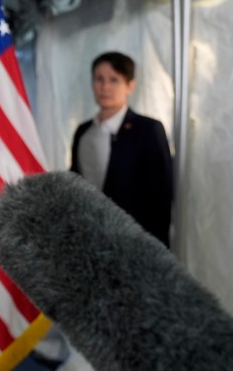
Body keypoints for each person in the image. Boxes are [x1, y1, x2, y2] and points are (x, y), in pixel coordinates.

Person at [70, 51, 174, 246]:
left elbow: (161, 196)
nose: (105, 87)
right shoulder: (83, 132)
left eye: (114, 80)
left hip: (133, 243)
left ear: (130, 86)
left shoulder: (147, 129)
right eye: (99, 79)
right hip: (89, 240)